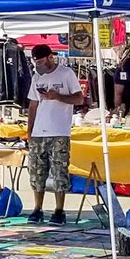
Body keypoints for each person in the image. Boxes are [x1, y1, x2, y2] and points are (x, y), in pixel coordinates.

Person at [26, 44, 83, 225]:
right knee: (36, 172)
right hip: (39, 132)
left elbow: (79, 98)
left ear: (51, 57)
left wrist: (57, 96)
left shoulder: (66, 74)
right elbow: (33, 104)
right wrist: (30, 130)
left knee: (59, 172)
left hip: (59, 131)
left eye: (42, 61)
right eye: (36, 62)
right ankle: (37, 208)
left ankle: (59, 210)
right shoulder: (36, 77)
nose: (40, 66)